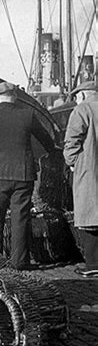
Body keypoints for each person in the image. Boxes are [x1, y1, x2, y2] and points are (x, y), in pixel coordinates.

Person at [0, 82, 56, 270]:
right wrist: (53, 151)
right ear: (15, 96)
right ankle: (20, 262)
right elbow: (46, 138)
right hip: (22, 174)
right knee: (21, 218)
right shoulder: (27, 114)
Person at [63, 81, 98, 277]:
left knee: (89, 214)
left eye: (76, 97)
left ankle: (93, 263)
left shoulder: (82, 110)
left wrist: (72, 161)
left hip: (89, 167)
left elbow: (72, 139)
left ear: (82, 95)